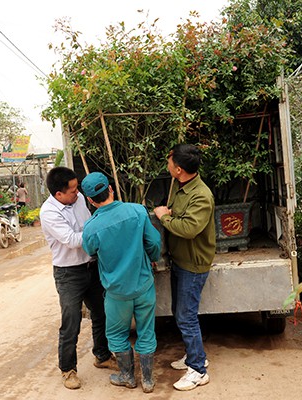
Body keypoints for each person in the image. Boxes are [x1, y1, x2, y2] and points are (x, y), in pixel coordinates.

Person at [81, 172, 161, 393]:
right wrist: (153, 259)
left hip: (117, 292)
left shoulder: (91, 227)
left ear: (90, 200)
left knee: (116, 334)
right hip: (144, 285)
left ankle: (127, 376)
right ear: (110, 189)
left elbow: (89, 251)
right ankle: (147, 380)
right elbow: (153, 242)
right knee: (146, 331)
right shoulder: (137, 210)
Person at [39, 166, 117, 390]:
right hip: (68, 274)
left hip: (90, 266)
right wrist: (103, 230)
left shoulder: (80, 198)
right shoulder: (49, 213)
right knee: (71, 322)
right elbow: (73, 240)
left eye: (77, 188)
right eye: (73, 190)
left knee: (101, 312)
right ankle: (68, 369)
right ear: (58, 195)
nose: (78, 193)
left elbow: (88, 223)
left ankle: (101, 355)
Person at [153, 143, 216, 391]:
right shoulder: (182, 188)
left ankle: (199, 370)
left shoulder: (200, 195)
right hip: (181, 260)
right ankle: (193, 356)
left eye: (170, 162)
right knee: (181, 313)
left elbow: (189, 229)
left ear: (178, 169)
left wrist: (163, 216)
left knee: (187, 317)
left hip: (194, 264)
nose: (167, 165)